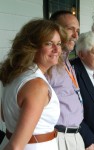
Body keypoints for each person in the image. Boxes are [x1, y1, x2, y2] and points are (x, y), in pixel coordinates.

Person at [0, 19, 67, 150]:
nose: (56, 49)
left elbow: (4, 116)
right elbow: (15, 146)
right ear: (31, 47)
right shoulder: (36, 85)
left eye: (58, 44)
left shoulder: (15, 75)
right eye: (49, 43)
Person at [46, 10, 85, 150]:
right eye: (70, 29)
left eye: (78, 30)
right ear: (53, 30)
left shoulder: (67, 61)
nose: (76, 35)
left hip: (75, 135)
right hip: (58, 137)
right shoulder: (48, 65)